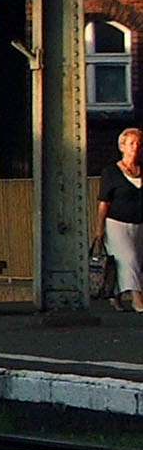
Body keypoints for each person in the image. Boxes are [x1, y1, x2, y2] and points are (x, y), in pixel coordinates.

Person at [94, 125, 143, 313]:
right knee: (128, 258)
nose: (135, 147)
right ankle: (137, 298)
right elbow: (104, 202)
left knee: (135, 260)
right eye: (131, 143)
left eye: (138, 143)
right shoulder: (111, 172)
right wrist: (99, 228)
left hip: (139, 223)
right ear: (122, 146)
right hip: (116, 224)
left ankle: (116, 296)